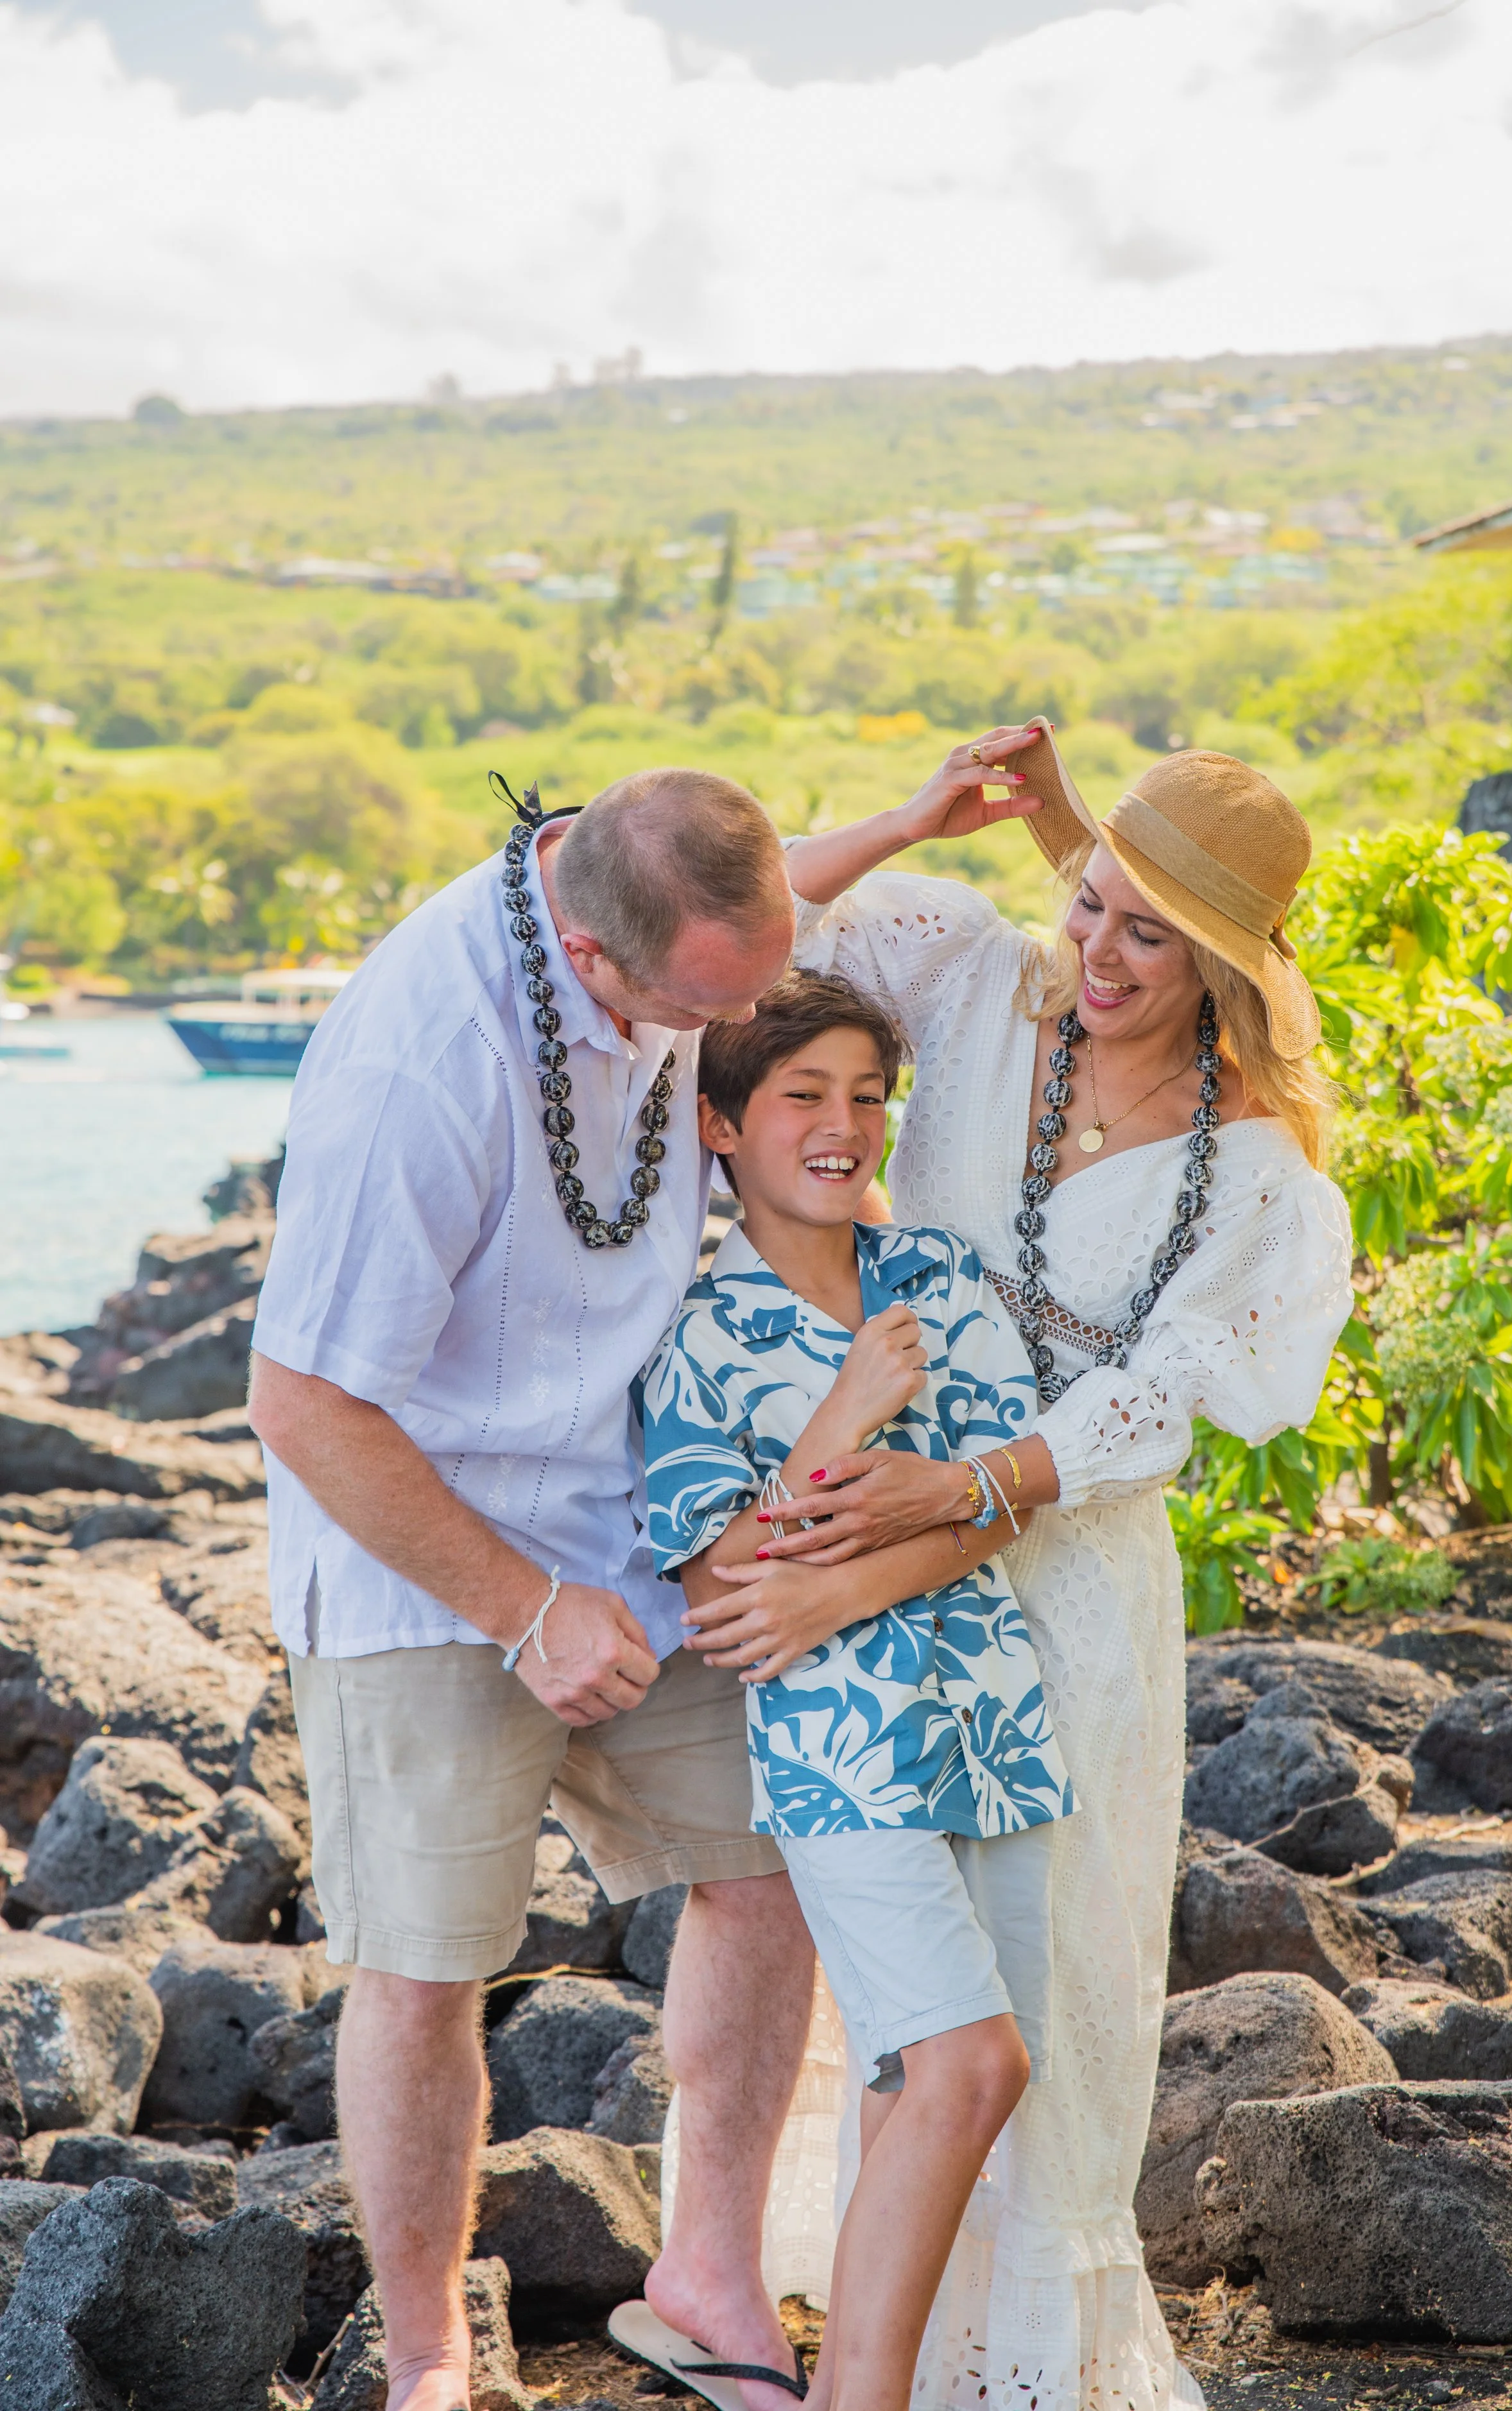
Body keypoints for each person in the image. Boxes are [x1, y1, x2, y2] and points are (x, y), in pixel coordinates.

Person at [734, 725, 1353, 2411]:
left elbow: (1159, 1400)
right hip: (864, 1547)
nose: (1094, 956)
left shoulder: (1258, 1176)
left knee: (1045, 1966)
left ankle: (996, 2365)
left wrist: (973, 1483)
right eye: (1086, 905)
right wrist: (918, 816)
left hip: (1068, 1578)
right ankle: (842, 2330)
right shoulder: (973, 986)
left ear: (1220, 963)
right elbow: (743, 927)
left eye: (1146, 934)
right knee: (888, 1948)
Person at [247, 766, 819, 2411]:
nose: (744, 1025)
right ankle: (428, 2349)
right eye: (712, 1011)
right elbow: (301, 1403)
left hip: (635, 1514)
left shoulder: (669, 904)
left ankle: (705, 2269)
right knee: (426, 1967)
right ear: (585, 958)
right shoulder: (419, 1067)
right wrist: (519, 1605)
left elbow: (756, 922)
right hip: (419, 1555)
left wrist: (906, 832)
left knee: (769, 1866)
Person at [635, 968, 1074, 2411]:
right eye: (801, 1098)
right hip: (839, 1752)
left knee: (918, 2087)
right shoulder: (695, 1333)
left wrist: (852, 1555)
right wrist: (840, 1427)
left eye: (866, 1096)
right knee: (968, 2067)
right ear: (720, 1127)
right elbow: (716, 1578)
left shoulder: (937, 1276)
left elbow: (1008, 1500)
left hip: (998, 1723)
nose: (843, 1126)